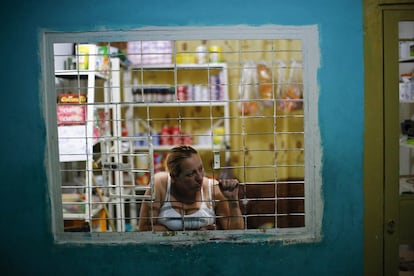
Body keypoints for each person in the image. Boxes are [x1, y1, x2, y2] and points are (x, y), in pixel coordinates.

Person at [138, 145, 244, 231]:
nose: (199, 177)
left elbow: (235, 233)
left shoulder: (212, 188)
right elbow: (144, 229)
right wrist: (192, 234)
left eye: (200, 169)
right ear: (174, 177)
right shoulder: (159, 184)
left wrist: (233, 201)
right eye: (190, 174)